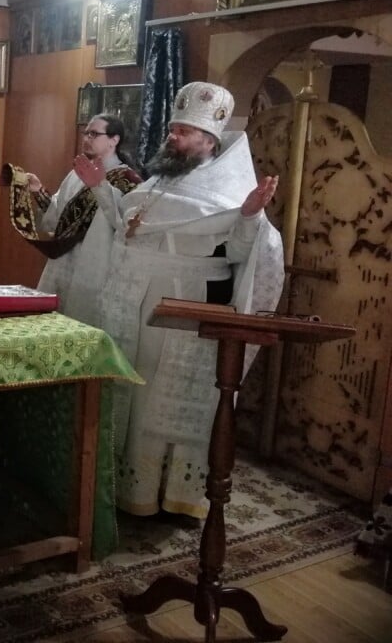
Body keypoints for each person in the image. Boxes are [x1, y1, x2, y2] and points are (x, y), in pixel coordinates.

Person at [74, 81, 285, 519]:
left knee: (158, 396)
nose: (172, 136)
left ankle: (165, 493)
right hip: (132, 298)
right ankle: (121, 486)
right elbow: (127, 228)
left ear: (209, 141)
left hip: (181, 302)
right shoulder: (159, 180)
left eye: (183, 131)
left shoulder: (226, 192)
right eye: (173, 128)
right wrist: (101, 190)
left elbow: (241, 253)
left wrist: (249, 216)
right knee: (129, 387)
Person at [22, 113, 141, 326]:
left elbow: (128, 225)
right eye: (86, 133)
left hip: (95, 263)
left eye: (94, 134)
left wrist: (101, 188)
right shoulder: (77, 174)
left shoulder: (128, 180)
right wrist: (38, 190)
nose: (87, 138)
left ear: (114, 140)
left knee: (82, 320)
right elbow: (58, 216)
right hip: (63, 260)